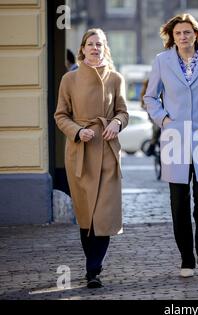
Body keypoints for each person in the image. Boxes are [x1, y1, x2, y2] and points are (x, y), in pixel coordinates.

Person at [144, 13, 198, 278]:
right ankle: (186, 258)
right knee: (179, 202)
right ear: (172, 37)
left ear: (196, 34)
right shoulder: (162, 61)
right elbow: (150, 97)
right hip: (175, 137)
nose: (183, 37)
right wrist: (164, 119)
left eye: (187, 32)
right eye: (178, 33)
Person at [54, 28, 129, 288]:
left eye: (100, 44)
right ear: (83, 48)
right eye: (91, 44)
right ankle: (92, 264)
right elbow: (60, 115)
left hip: (108, 151)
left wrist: (117, 123)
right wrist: (77, 131)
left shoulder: (116, 78)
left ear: (104, 48)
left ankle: (93, 269)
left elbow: (123, 112)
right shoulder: (69, 80)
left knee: (104, 214)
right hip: (81, 153)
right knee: (87, 215)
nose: (95, 48)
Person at [140, 78, 161, 157]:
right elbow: (143, 104)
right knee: (156, 128)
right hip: (152, 114)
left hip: (161, 112)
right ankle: (152, 145)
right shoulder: (146, 91)